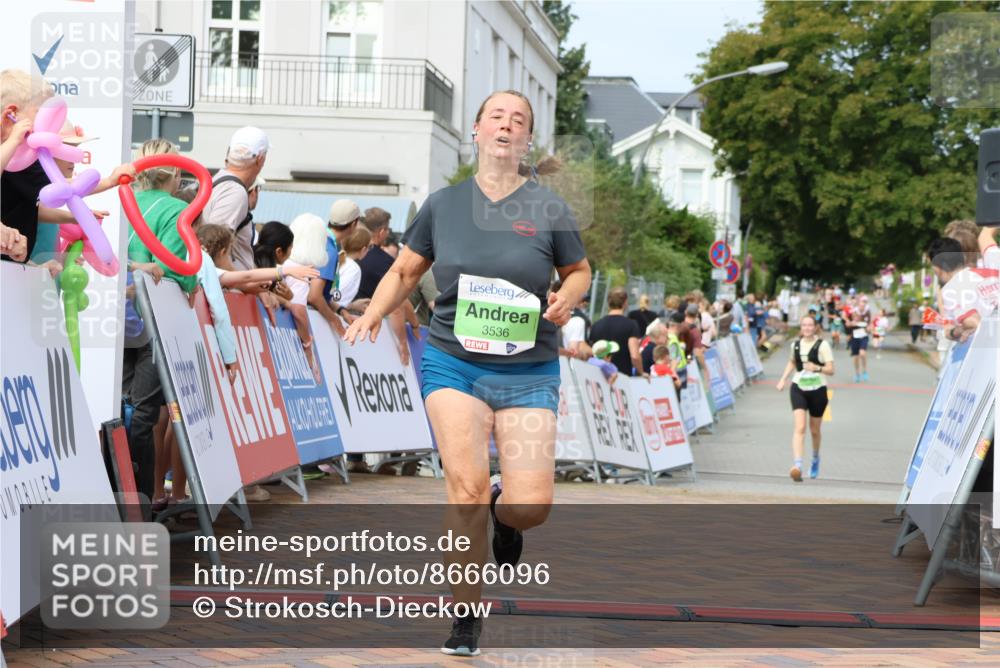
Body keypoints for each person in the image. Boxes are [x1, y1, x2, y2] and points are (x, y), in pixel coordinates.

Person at [343, 89, 590, 657]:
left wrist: (568, 298)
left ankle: (507, 515)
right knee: (466, 488)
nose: (507, 126)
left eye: (518, 120)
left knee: (531, 506)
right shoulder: (443, 204)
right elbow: (406, 270)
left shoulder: (549, 208)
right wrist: (373, 316)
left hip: (529, 369)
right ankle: (465, 617)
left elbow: (578, 271)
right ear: (476, 131)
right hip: (453, 360)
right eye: (496, 117)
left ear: (528, 140)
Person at [201, 126, 269, 271]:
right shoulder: (234, 192)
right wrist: (248, 283)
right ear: (260, 159)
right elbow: (213, 248)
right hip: (228, 290)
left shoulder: (217, 182)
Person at [776, 314, 834, 482]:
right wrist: (783, 379)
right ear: (801, 327)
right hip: (798, 388)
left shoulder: (823, 346)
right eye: (804, 325)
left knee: (814, 430)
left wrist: (817, 368)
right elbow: (792, 362)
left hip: (818, 390)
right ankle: (798, 466)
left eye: (810, 325)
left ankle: (815, 458)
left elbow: (831, 369)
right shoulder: (795, 345)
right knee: (800, 427)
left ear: (815, 327)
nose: (807, 328)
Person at [589, 287, 643, 376]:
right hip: (622, 376)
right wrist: (641, 372)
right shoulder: (631, 325)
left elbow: (592, 351)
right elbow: (635, 356)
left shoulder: (596, 325)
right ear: (625, 302)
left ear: (608, 302)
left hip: (599, 375)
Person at [333, 225, 372, 312]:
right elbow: (336, 298)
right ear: (363, 249)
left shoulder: (335, 258)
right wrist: (352, 306)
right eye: (370, 247)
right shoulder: (353, 268)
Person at [845, 294, 872, 382]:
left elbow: (870, 324)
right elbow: (847, 323)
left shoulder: (867, 313)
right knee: (856, 357)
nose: (862, 307)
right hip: (855, 336)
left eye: (863, 305)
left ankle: (864, 371)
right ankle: (857, 373)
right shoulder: (853, 312)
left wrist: (869, 328)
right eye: (860, 305)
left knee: (862, 353)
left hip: (863, 336)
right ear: (858, 305)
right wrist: (850, 324)